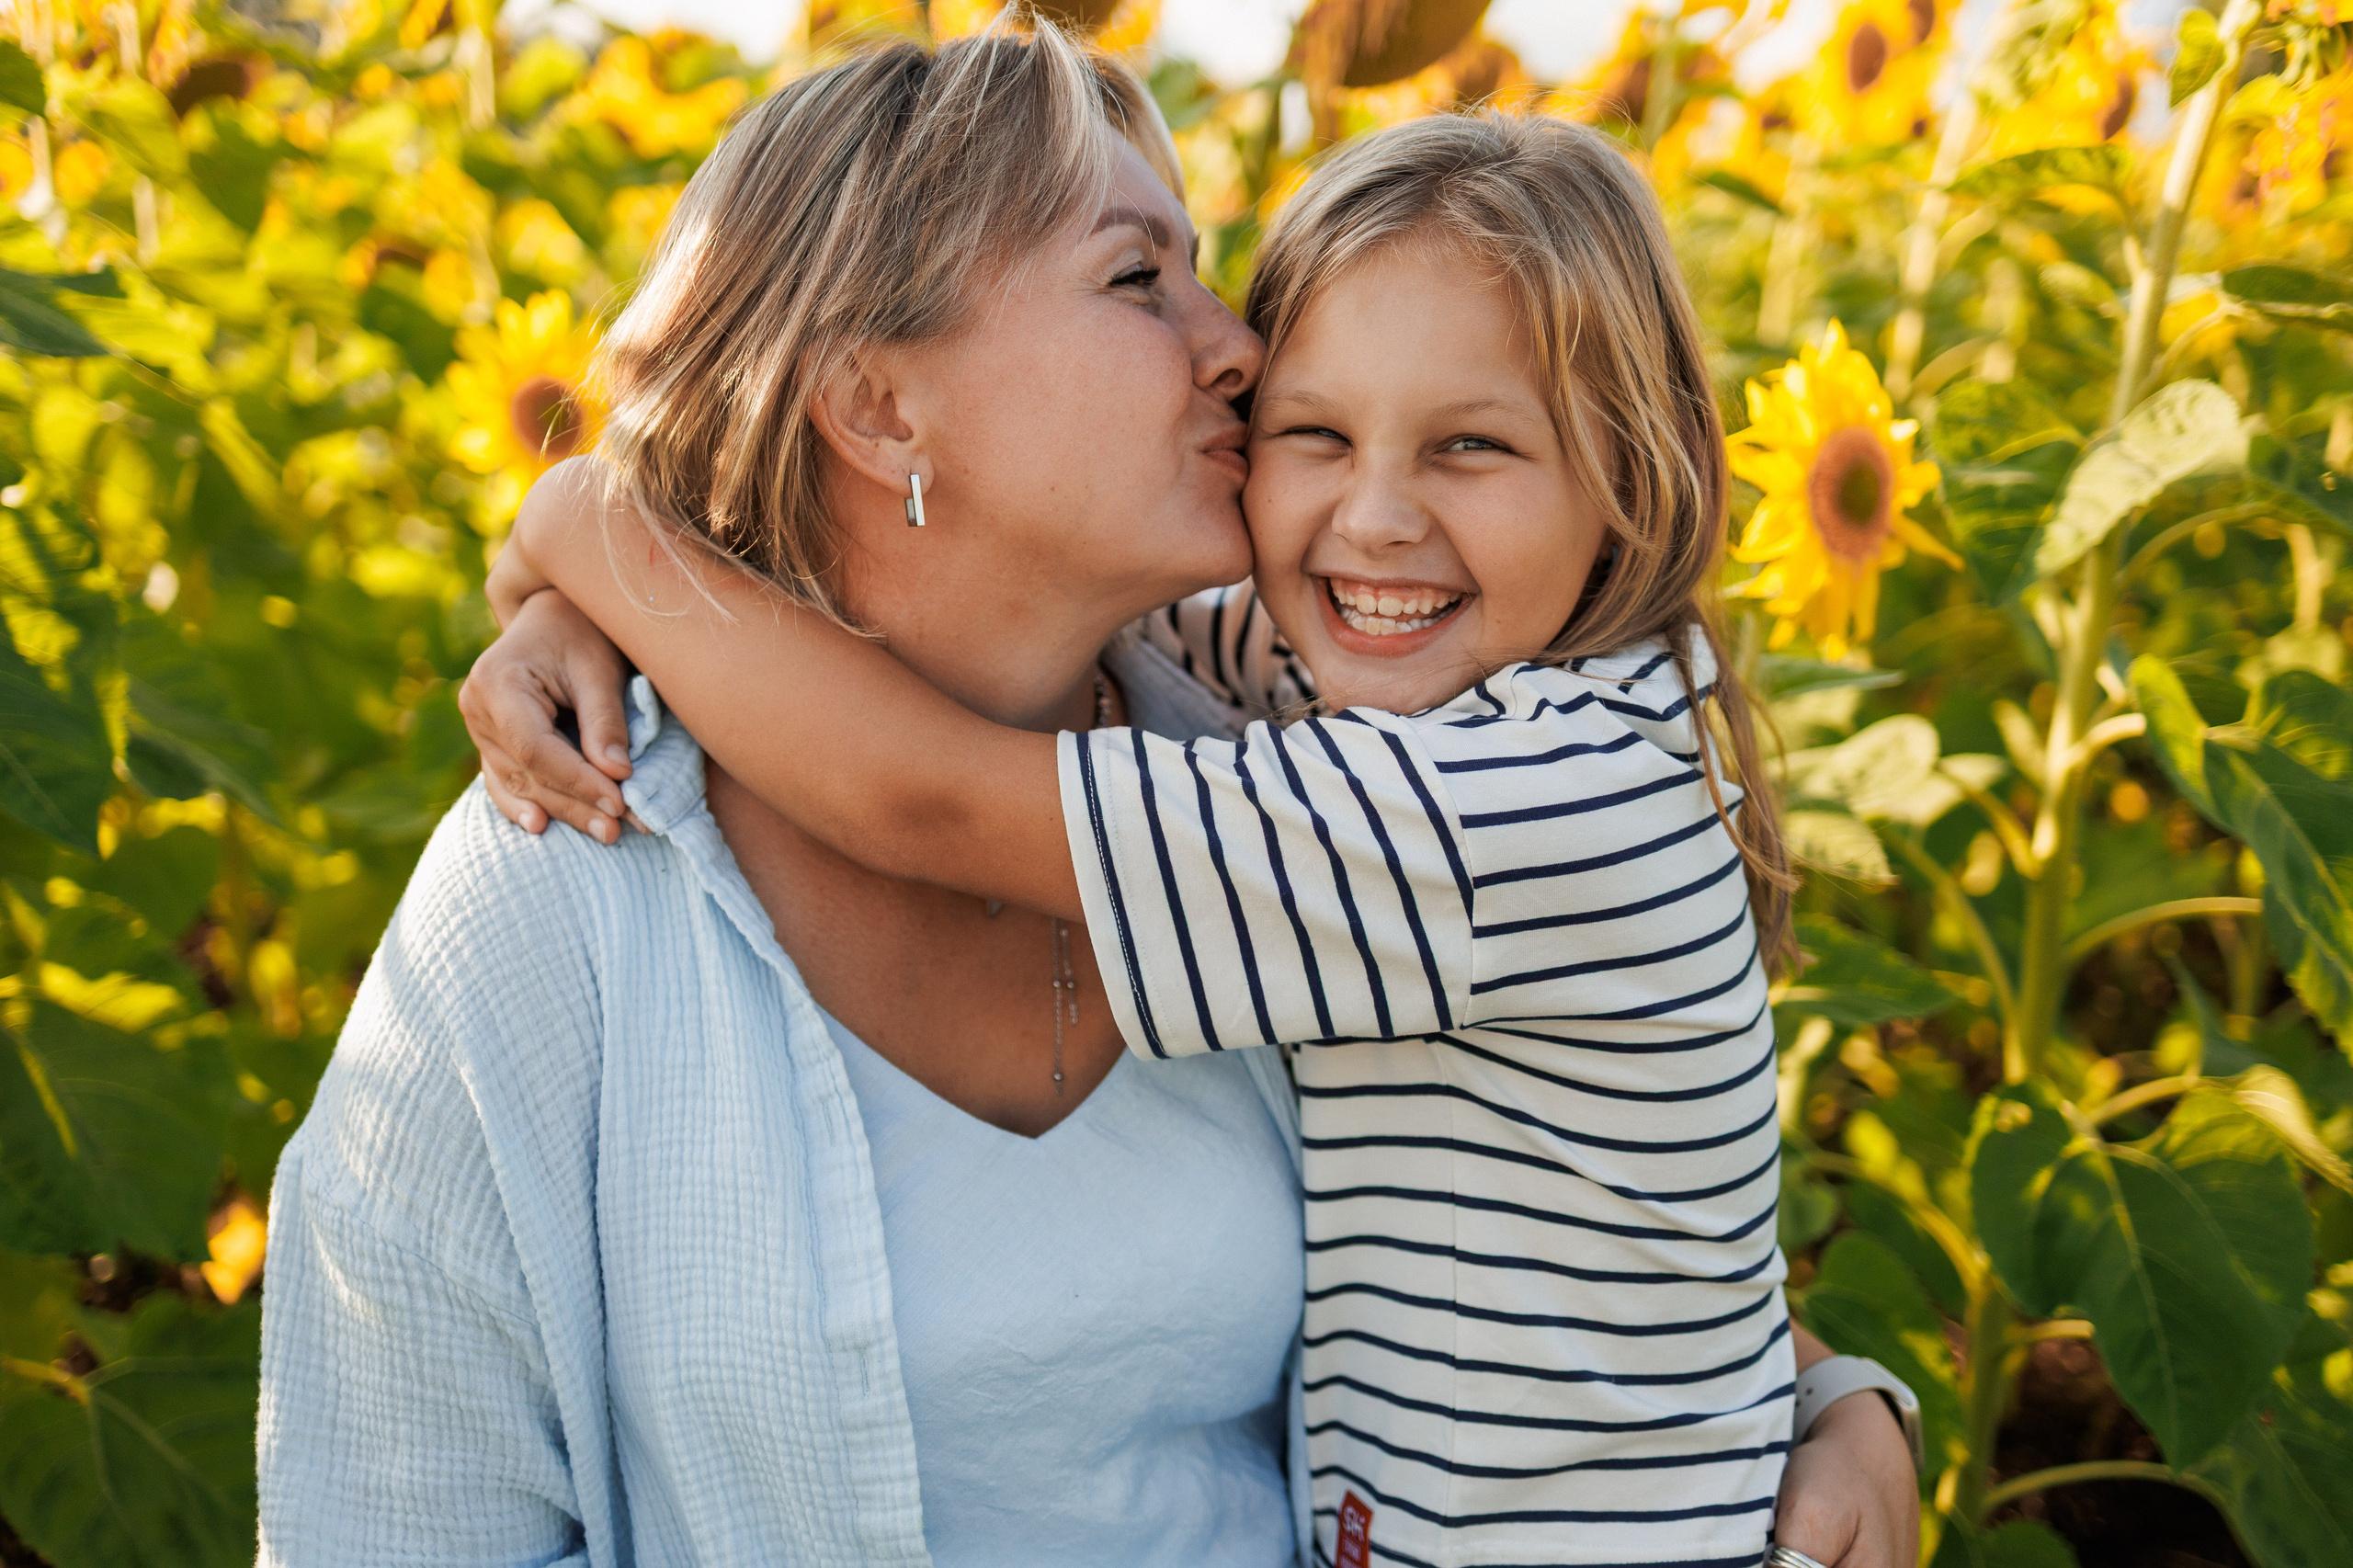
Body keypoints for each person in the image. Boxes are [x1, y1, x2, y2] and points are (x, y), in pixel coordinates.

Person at [263, 22, 1917, 1568]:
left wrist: (583, 531)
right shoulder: (582, 860)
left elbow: (927, 797)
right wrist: (605, 580)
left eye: (1207, 274)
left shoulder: (1292, 774)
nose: (1239, 350)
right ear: (877, 402)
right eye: (1141, 278)